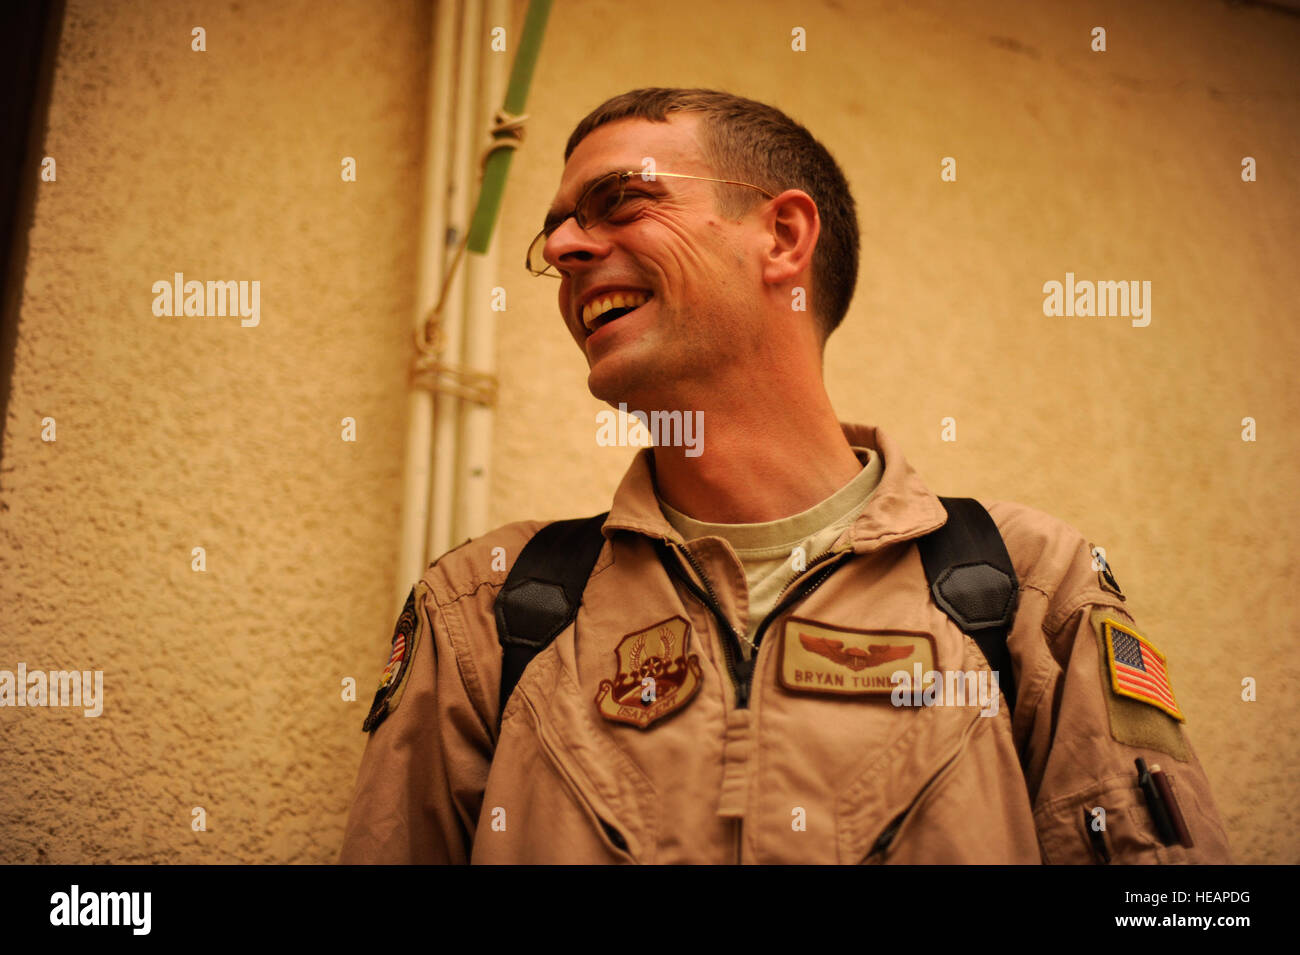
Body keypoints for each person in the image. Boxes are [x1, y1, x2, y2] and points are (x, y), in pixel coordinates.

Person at [338, 88, 1233, 864]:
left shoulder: (1033, 589)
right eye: (558, 230)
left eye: (620, 201)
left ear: (783, 235)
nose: (567, 247)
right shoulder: (488, 613)